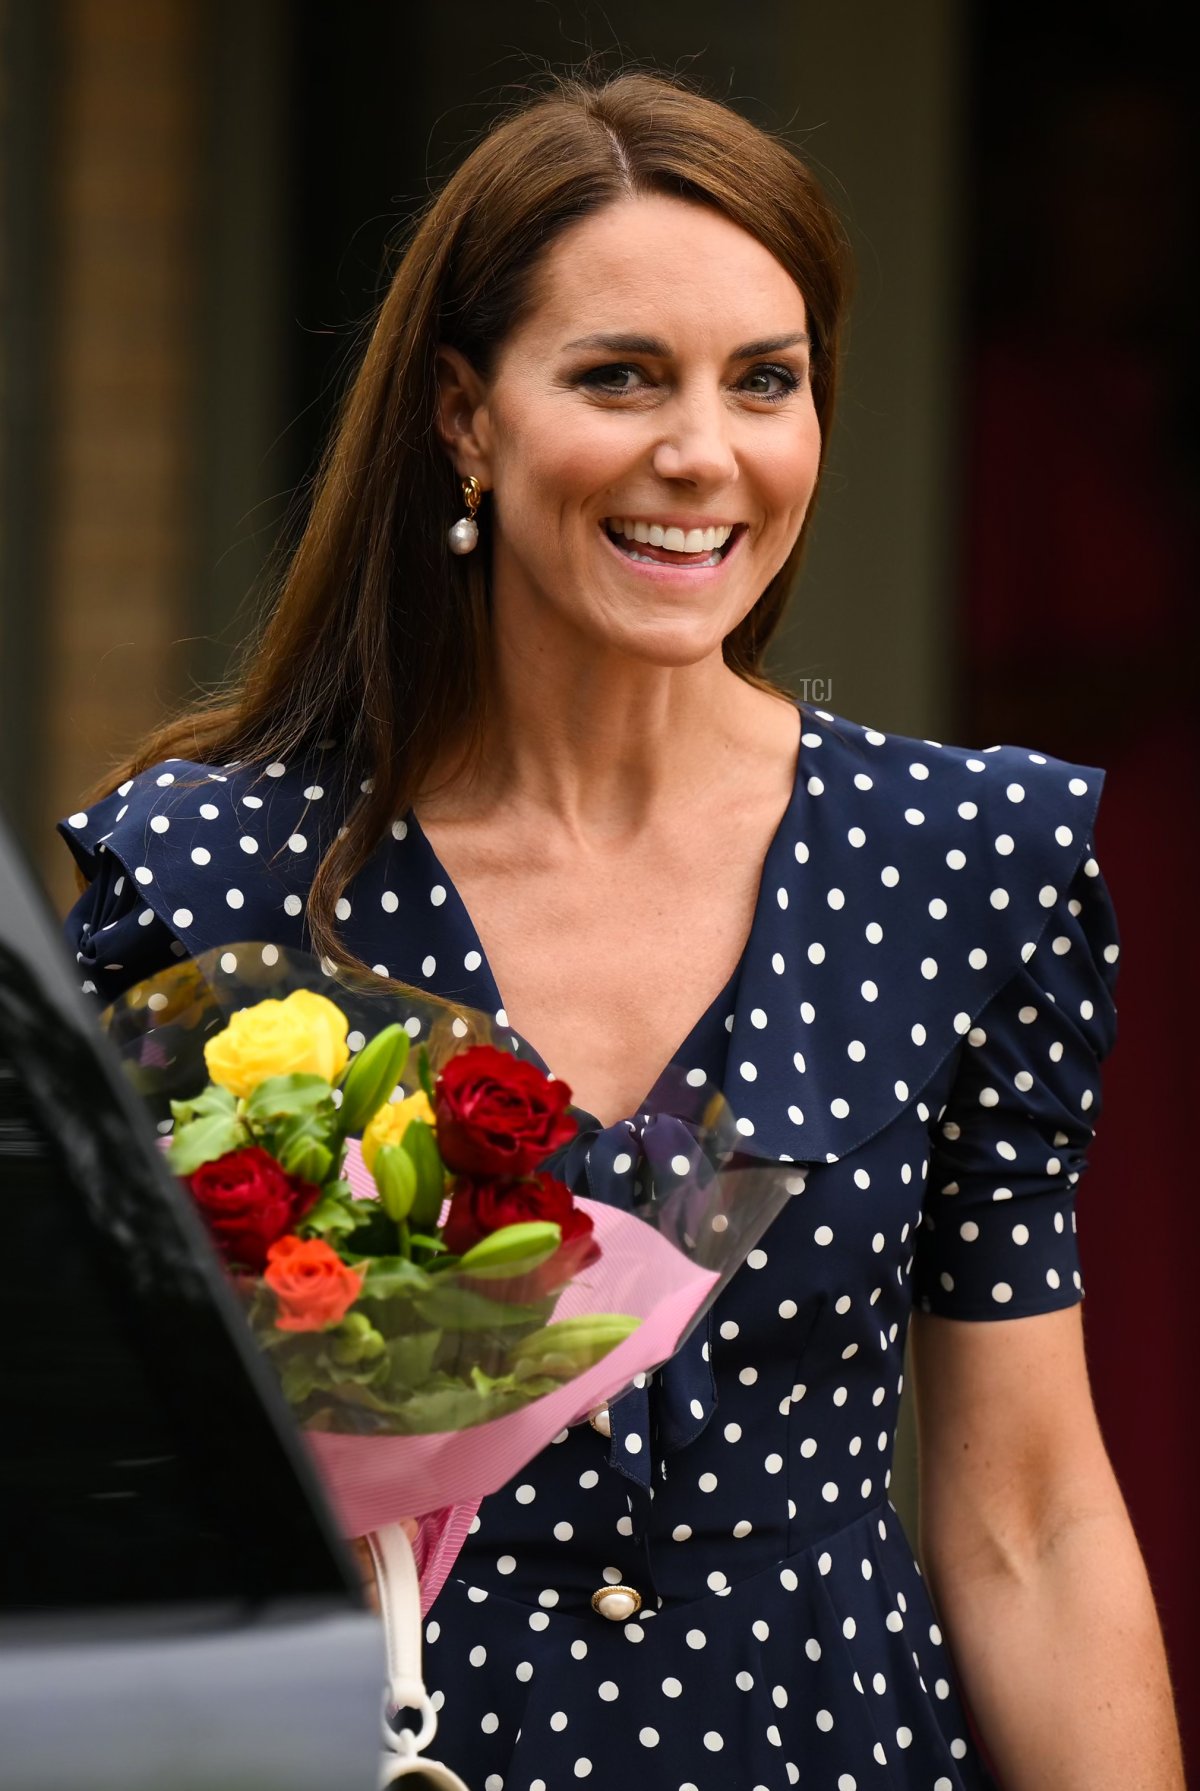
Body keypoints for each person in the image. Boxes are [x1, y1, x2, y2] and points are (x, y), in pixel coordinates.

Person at [58, 70, 1184, 1791]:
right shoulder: (214, 875)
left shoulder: (969, 861)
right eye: (619, 377)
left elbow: (1028, 1517)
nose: (702, 455)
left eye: (765, 383)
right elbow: (112, 1499)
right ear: (464, 415)